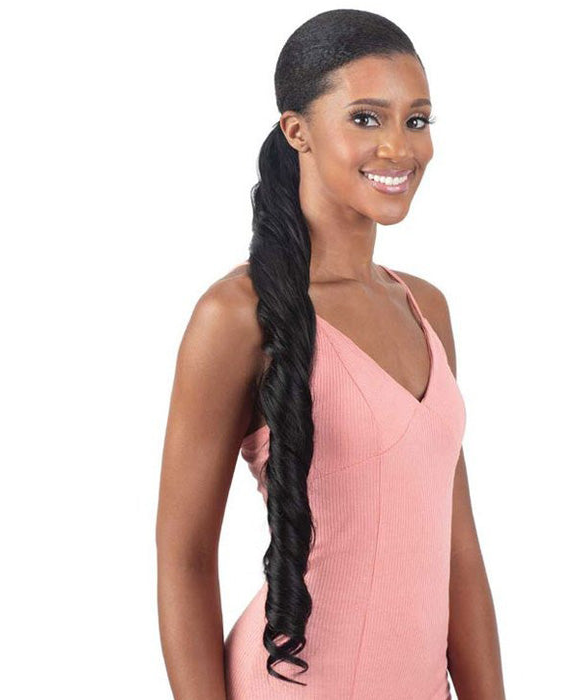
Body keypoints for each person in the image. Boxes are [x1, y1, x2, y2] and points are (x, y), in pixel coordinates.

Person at [156, 9, 506, 700]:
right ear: (297, 131)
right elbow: (184, 557)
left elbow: (458, 551)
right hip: (290, 683)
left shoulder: (426, 308)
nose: (399, 147)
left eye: (417, 120)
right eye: (366, 118)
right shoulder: (235, 315)